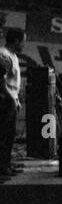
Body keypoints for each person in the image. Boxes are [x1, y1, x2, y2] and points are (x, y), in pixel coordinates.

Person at [0, 27, 23, 179]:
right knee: (3, 135)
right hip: (3, 100)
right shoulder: (4, 56)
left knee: (9, 135)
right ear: (15, 41)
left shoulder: (13, 56)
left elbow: (12, 81)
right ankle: (2, 168)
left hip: (10, 99)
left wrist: (16, 99)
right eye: (22, 42)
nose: (23, 45)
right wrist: (10, 98)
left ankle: (6, 164)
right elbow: (1, 82)